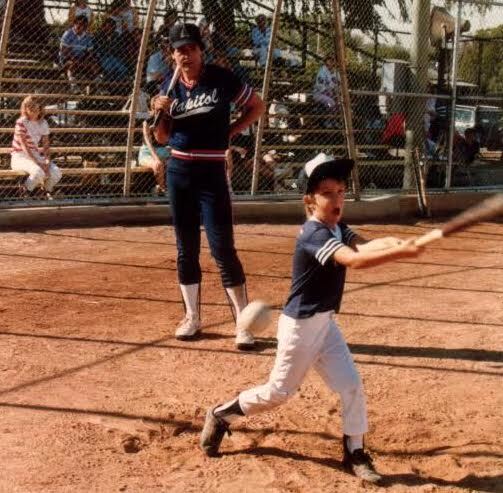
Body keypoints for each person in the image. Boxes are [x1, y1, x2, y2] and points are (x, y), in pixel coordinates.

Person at [200, 153, 423, 483]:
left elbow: (366, 246)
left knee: (351, 386)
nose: (337, 199)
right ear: (309, 200)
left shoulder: (338, 228)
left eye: (341, 191)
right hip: (300, 328)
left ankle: (355, 451)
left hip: (325, 324)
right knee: (278, 392)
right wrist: (401, 253)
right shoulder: (313, 235)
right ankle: (222, 414)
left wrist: (402, 242)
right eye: (327, 192)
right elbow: (353, 260)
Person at [152, 23, 265, 349]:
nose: (185, 55)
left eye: (190, 48)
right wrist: (161, 112)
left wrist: (229, 133)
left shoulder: (221, 79)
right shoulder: (169, 86)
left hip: (212, 171)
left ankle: (243, 325)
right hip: (180, 171)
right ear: (172, 54)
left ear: (201, 50)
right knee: (186, 248)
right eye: (178, 50)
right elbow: (161, 137)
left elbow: (257, 107)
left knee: (222, 249)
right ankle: (192, 318)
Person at [11, 96, 62, 198]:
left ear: (40, 108)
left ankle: (45, 191)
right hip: (20, 156)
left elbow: (46, 145)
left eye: (36, 107)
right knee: (39, 172)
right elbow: (24, 146)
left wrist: (47, 161)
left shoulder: (43, 123)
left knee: (57, 173)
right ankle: (25, 190)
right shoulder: (21, 122)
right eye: (30, 108)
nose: (34, 110)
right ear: (25, 109)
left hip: (35, 154)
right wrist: (38, 163)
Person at [59, 15, 99, 81]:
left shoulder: (87, 36)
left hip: (81, 58)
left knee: (94, 64)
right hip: (67, 58)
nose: (80, 26)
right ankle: (73, 84)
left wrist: (87, 59)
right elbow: (64, 51)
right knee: (72, 64)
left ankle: (98, 84)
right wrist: (74, 59)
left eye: (83, 25)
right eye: (78, 23)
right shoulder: (68, 33)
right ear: (74, 23)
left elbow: (90, 51)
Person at [137, 115, 170, 195]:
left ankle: (162, 188)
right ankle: (163, 189)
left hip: (163, 151)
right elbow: (148, 143)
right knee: (158, 164)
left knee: (178, 162)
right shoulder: (147, 121)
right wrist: (156, 158)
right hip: (147, 152)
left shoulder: (168, 119)